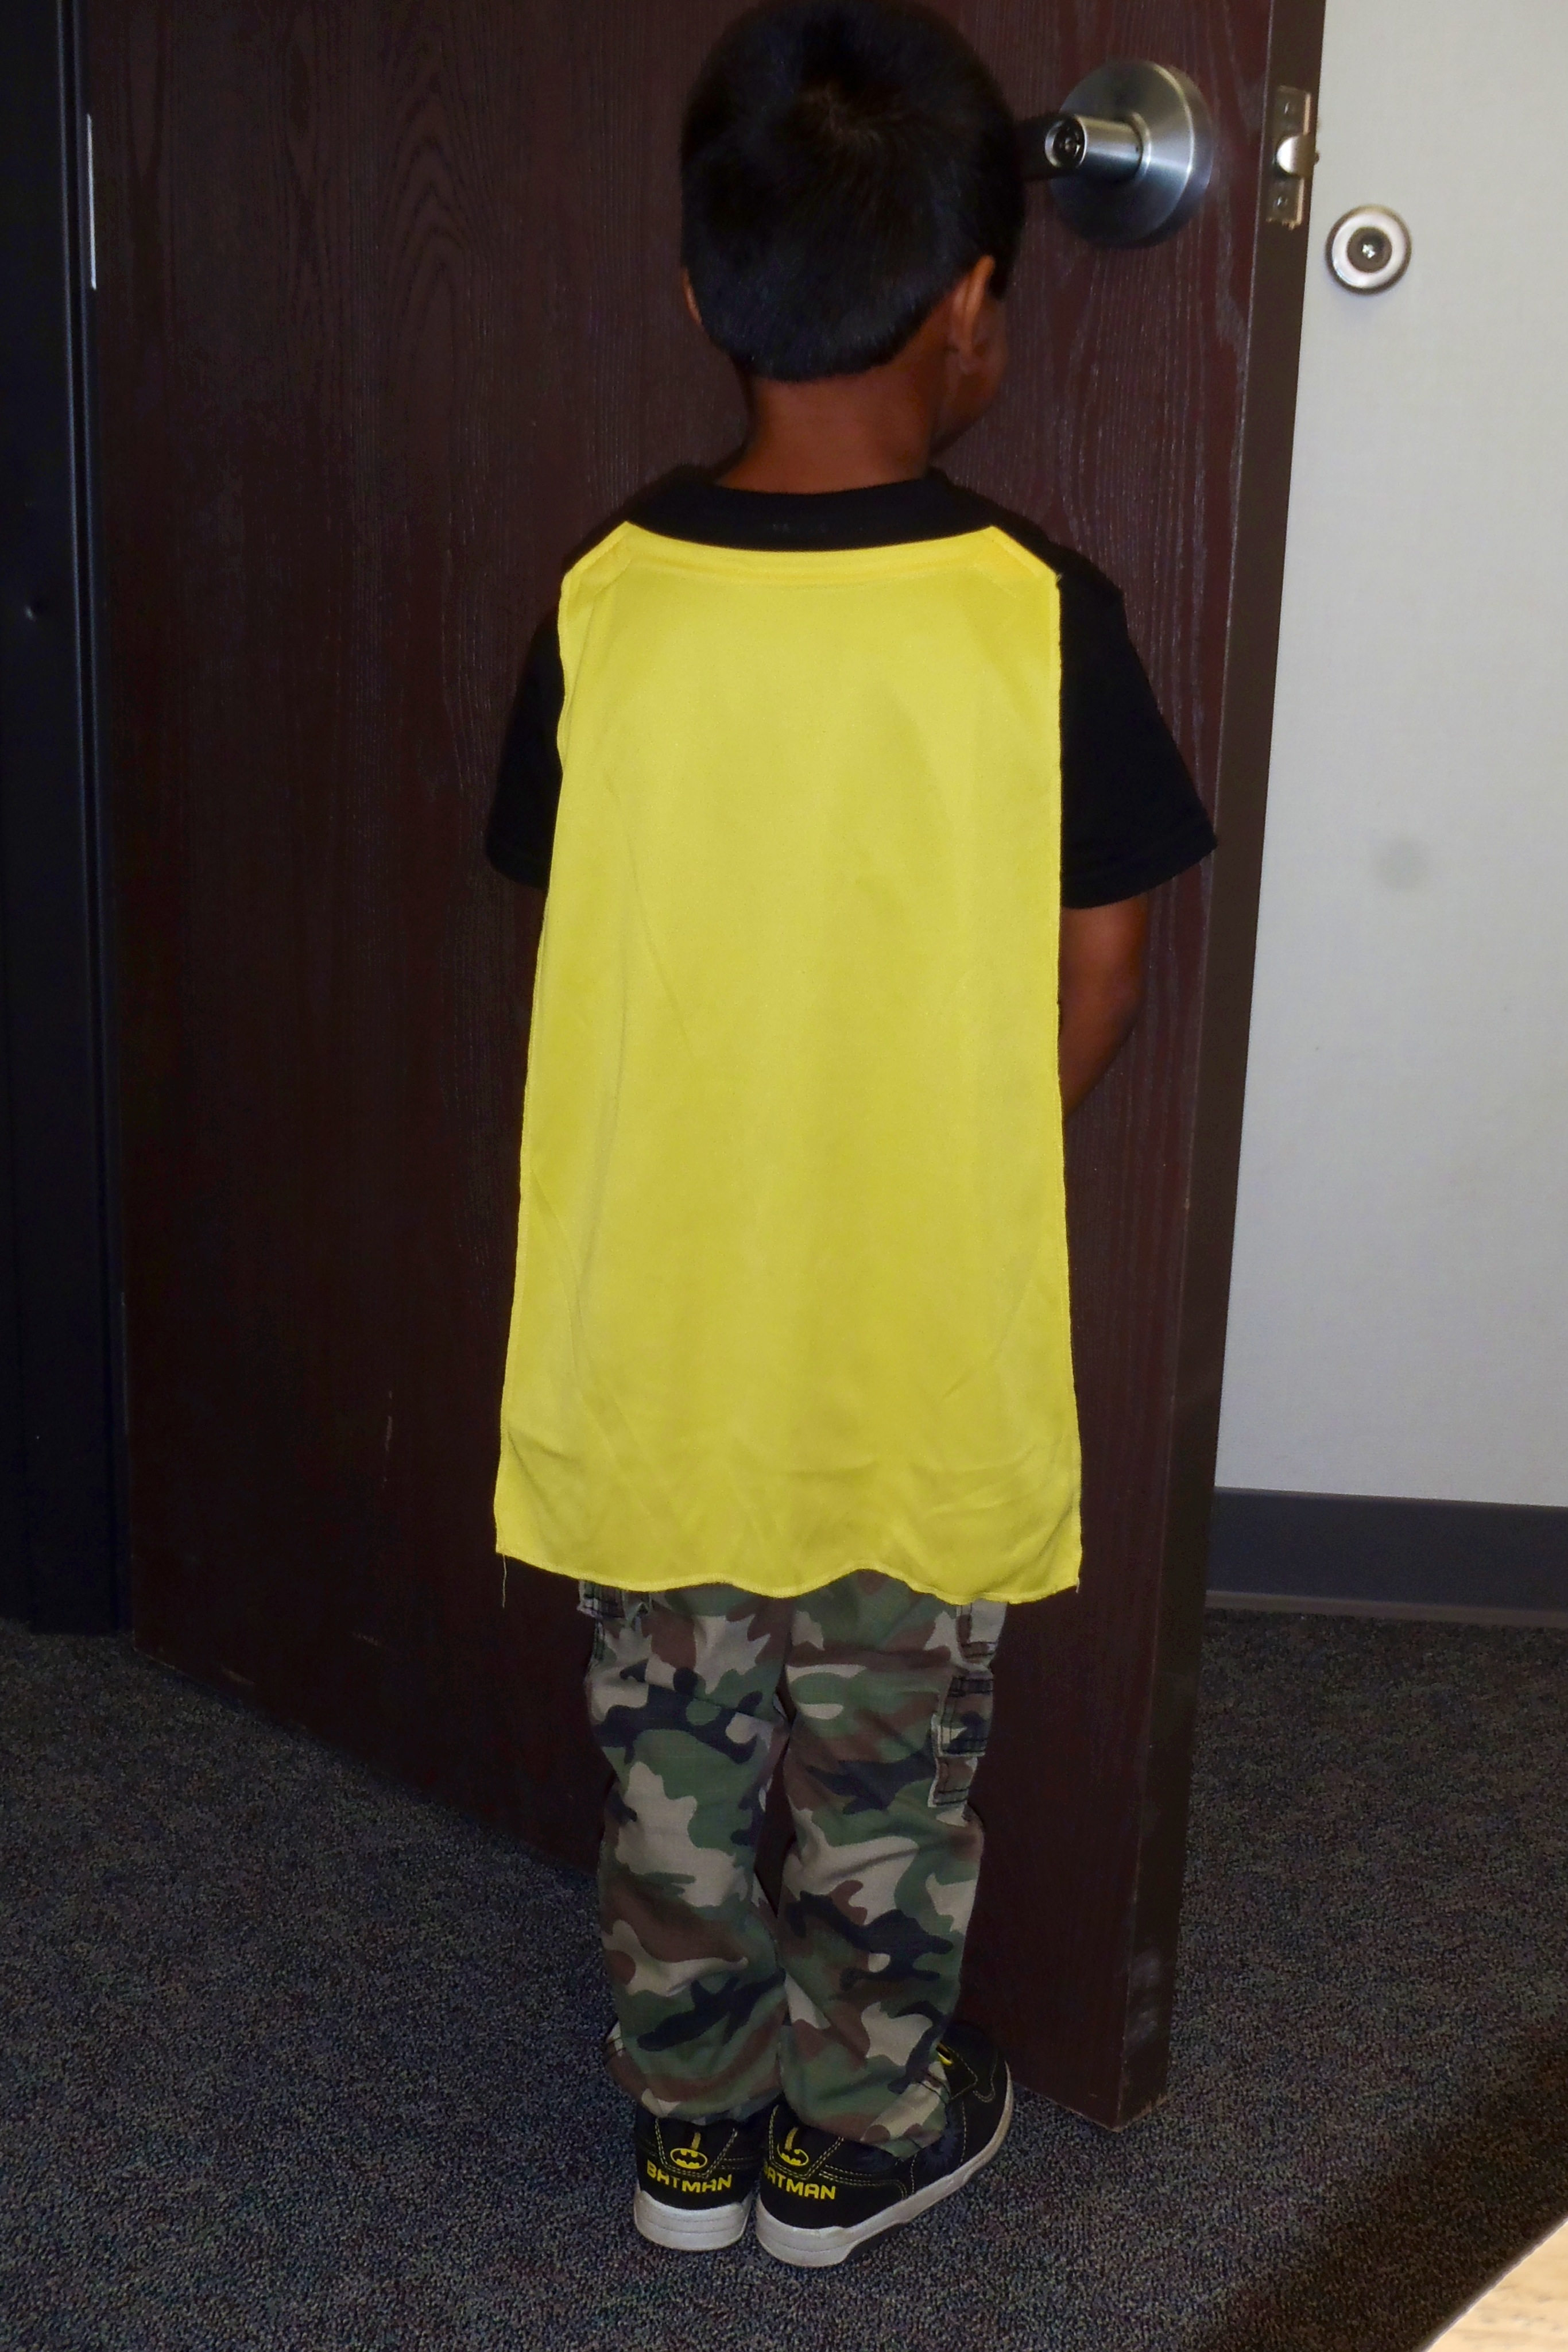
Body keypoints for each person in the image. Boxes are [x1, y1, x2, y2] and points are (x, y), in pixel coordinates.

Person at [485, 0, 1215, 2270]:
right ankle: (851, 2133)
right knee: (886, 1761)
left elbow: (576, 919)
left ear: (695, 291)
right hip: (905, 1322)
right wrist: (939, 1152)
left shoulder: (609, 600)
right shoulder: (1032, 619)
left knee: (672, 1747)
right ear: (975, 301)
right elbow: (1100, 966)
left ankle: (688, 2132)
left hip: (656, 1319)